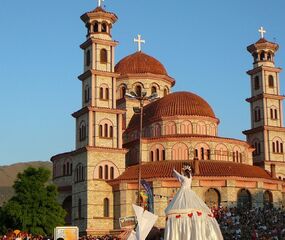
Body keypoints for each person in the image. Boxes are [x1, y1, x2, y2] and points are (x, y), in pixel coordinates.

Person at [164, 165, 223, 240]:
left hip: (183, 192)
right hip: (189, 192)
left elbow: (178, 175)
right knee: (191, 209)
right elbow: (184, 176)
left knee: (182, 208)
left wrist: (174, 170)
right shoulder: (190, 177)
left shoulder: (184, 178)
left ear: (184, 173)